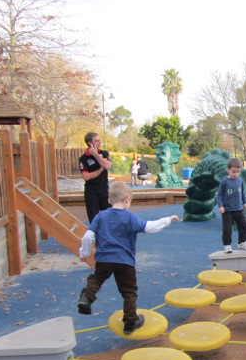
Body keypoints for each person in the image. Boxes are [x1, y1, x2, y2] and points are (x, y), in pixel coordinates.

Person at [77, 181, 180, 335]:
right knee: (129, 291)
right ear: (128, 200)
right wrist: (167, 220)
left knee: (96, 279)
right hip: (125, 261)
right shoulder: (130, 217)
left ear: (109, 200)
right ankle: (130, 322)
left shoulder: (101, 216)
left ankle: (86, 298)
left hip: (104, 259)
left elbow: (87, 237)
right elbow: (149, 227)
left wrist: (84, 254)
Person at [216, 157, 246, 254]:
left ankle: (242, 242)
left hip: (239, 209)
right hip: (227, 210)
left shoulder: (239, 180)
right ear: (228, 170)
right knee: (227, 229)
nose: (236, 174)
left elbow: (243, 193)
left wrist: (245, 202)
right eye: (233, 172)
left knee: (245, 226)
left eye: (238, 172)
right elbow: (219, 195)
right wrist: (221, 206)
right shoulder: (224, 181)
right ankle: (227, 245)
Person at [79, 132, 112, 223]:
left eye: (99, 140)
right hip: (91, 193)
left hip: (104, 191)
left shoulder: (104, 153)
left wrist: (96, 155)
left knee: (109, 218)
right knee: (94, 220)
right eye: (96, 141)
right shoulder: (83, 158)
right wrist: (101, 169)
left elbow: (108, 166)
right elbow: (86, 177)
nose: (99, 142)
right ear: (90, 143)